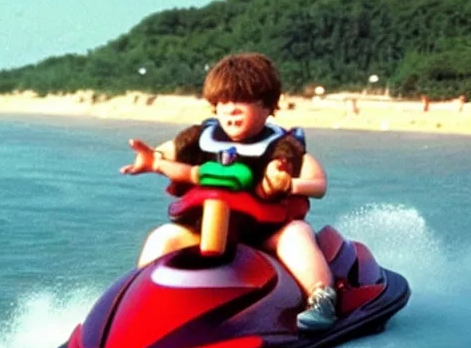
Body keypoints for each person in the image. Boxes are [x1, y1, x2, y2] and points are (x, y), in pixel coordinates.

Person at [120, 53, 336, 331]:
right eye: (223, 101)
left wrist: (290, 184)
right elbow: (166, 151)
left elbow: (318, 183)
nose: (231, 109)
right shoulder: (200, 137)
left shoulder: (282, 146)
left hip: (267, 232)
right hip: (209, 229)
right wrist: (152, 160)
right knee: (163, 236)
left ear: (268, 105)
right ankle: (137, 302)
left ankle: (321, 298)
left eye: (242, 100)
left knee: (297, 235)